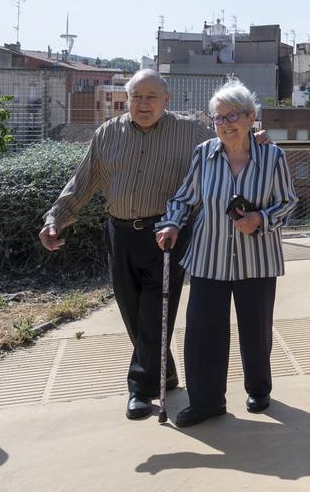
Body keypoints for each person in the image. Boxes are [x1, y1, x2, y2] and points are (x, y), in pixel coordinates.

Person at [40, 69, 213, 420]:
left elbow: (229, 147)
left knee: (153, 312)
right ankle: (164, 370)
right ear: (127, 99)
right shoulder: (109, 133)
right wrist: (55, 218)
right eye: (137, 97)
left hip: (167, 234)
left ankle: (140, 388)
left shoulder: (192, 133)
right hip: (119, 234)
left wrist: (255, 139)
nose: (143, 104)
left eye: (152, 97)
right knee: (133, 312)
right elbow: (83, 180)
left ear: (168, 101)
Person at [154, 80, 296, 427]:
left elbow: (288, 203)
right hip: (208, 256)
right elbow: (184, 198)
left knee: (256, 329)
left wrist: (260, 218)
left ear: (251, 118)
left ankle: (259, 389)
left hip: (257, 258)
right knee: (203, 332)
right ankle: (206, 402)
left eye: (232, 116)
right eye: (218, 118)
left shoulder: (272, 156)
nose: (225, 124)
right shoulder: (204, 154)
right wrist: (171, 223)